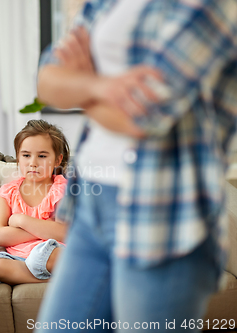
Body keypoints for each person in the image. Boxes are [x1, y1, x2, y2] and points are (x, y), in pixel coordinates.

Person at [36, 1, 237, 332]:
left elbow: (141, 115)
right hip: (91, 202)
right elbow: (47, 82)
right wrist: (99, 87)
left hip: (163, 213)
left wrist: (80, 83)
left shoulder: (206, 6)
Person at [0, 120, 69, 285]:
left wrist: (22, 221)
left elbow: (63, 232)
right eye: (26, 155)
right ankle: (55, 280)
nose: (33, 163)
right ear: (18, 158)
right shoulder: (8, 192)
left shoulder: (62, 188)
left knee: (47, 255)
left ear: (57, 160)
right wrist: (44, 226)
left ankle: (53, 275)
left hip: (50, 253)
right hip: (18, 258)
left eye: (42, 156)